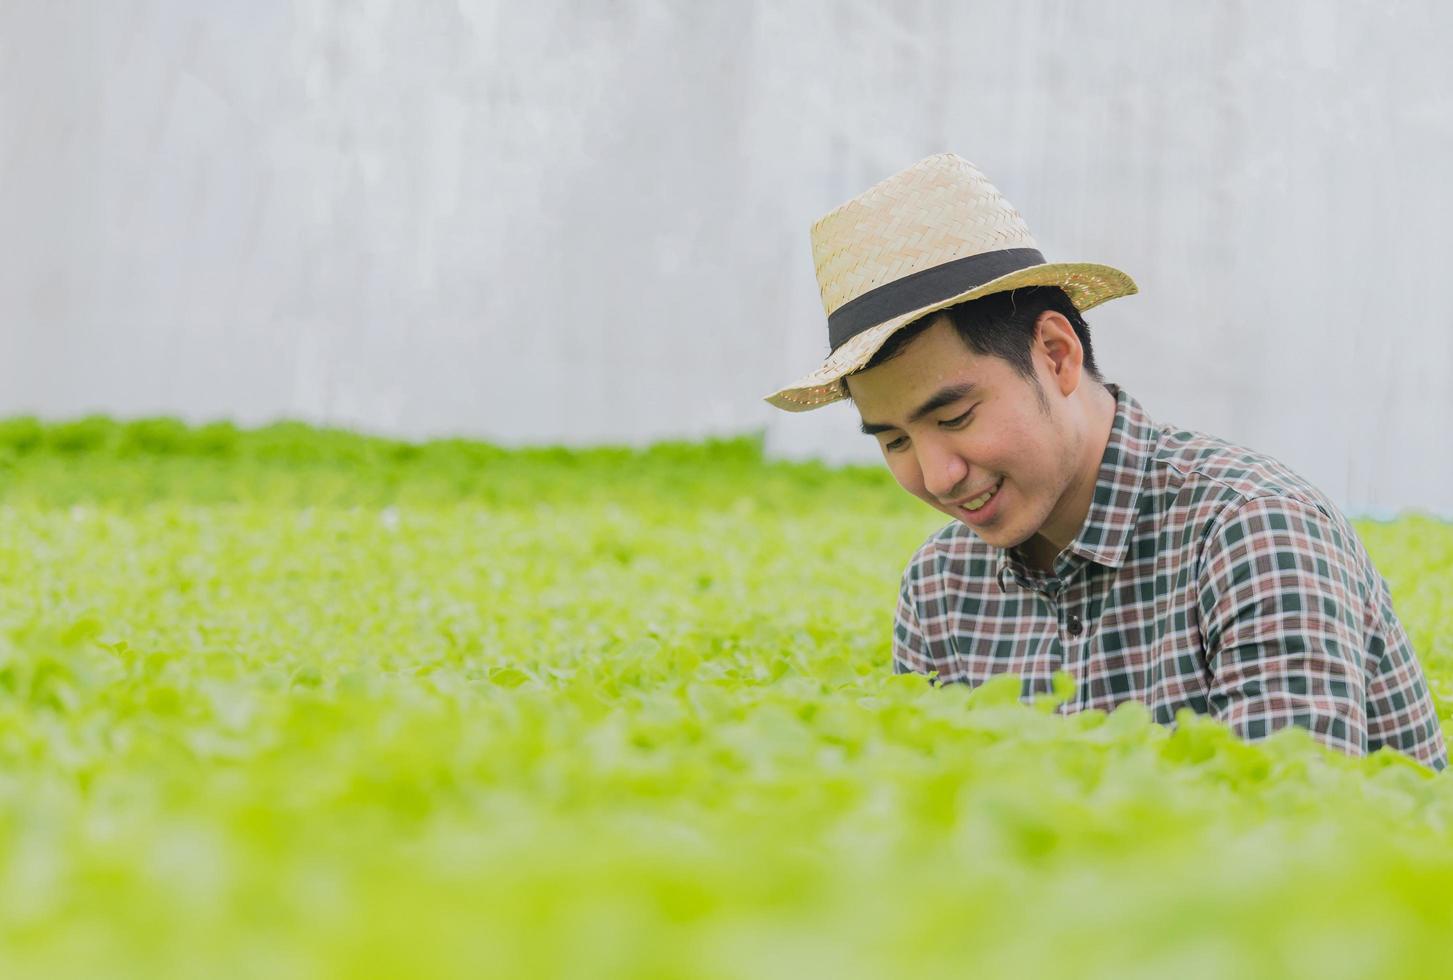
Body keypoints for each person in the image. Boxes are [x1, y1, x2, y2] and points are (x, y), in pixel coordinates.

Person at [764, 153, 1447, 770]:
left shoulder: (1253, 531)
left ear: (1056, 355)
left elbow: (1296, 839)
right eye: (895, 441)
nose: (938, 475)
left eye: (954, 418)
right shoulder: (940, 589)